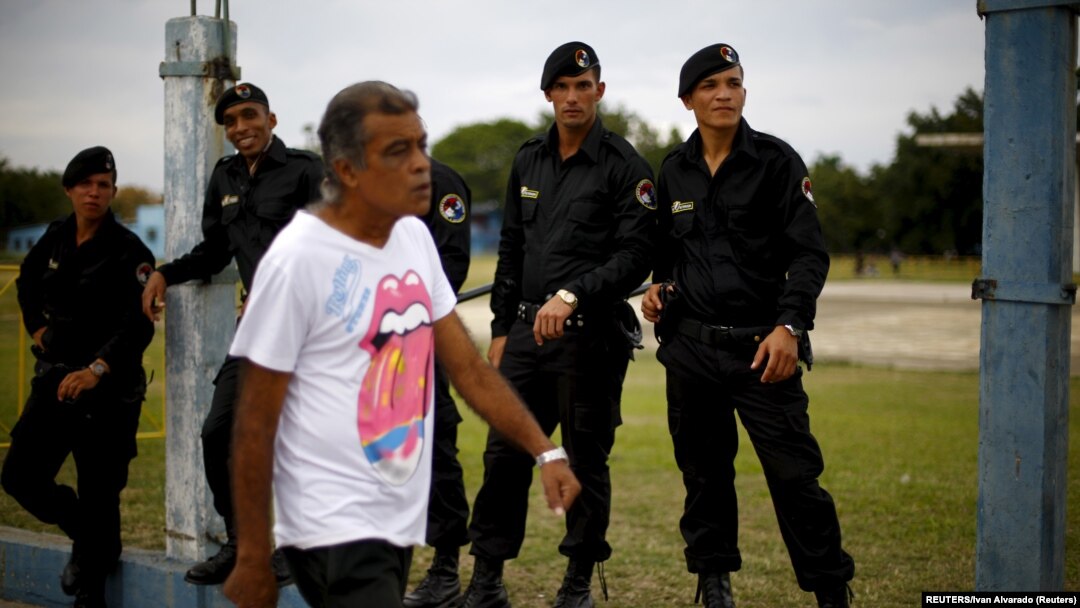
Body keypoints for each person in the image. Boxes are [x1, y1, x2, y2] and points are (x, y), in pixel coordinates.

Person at [221, 80, 580, 608]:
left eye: (421, 145)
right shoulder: (299, 258)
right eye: (398, 151)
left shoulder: (412, 236)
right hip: (335, 524)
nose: (420, 164)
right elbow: (253, 422)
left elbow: (470, 370)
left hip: (395, 519)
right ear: (346, 171)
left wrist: (545, 450)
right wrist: (252, 558)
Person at [640, 43, 856, 608]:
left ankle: (831, 591)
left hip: (764, 349)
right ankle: (714, 587)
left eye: (734, 82)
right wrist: (660, 289)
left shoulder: (777, 162)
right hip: (691, 351)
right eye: (710, 85)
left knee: (794, 479)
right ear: (688, 99)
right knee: (704, 478)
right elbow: (666, 256)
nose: (725, 93)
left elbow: (810, 256)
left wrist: (791, 326)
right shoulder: (673, 171)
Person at [460, 42, 655, 608]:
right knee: (503, 455)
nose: (573, 96)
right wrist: (499, 330)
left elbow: (636, 254)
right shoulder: (528, 159)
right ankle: (487, 579)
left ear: (599, 90)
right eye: (562, 87)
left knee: (586, 461)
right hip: (523, 338)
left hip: (591, 338)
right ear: (548, 95)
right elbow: (511, 249)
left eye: (584, 85)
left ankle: (576, 586)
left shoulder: (625, 165)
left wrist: (574, 293)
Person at [140, 82, 324, 586]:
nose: (241, 127)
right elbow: (215, 250)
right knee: (217, 433)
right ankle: (244, 544)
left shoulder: (307, 170)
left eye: (250, 116)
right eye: (232, 122)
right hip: (259, 329)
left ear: (272, 119)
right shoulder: (224, 177)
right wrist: (166, 273)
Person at [1, 147, 155, 608]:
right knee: (20, 477)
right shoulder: (54, 238)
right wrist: (38, 330)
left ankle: (91, 591)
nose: (94, 192)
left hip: (108, 392)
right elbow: (28, 285)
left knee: (100, 490)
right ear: (69, 189)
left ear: (112, 192)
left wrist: (97, 369)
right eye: (85, 183)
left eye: (103, 185)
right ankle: (92, 539)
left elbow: (139, 324)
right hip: (56, 382)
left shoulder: (131, 251)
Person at [402, 158, 473, 608]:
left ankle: (445, 569)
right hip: (363, 342)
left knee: (434, 447)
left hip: (420, 334)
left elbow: (451, 264)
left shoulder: (440, 181)